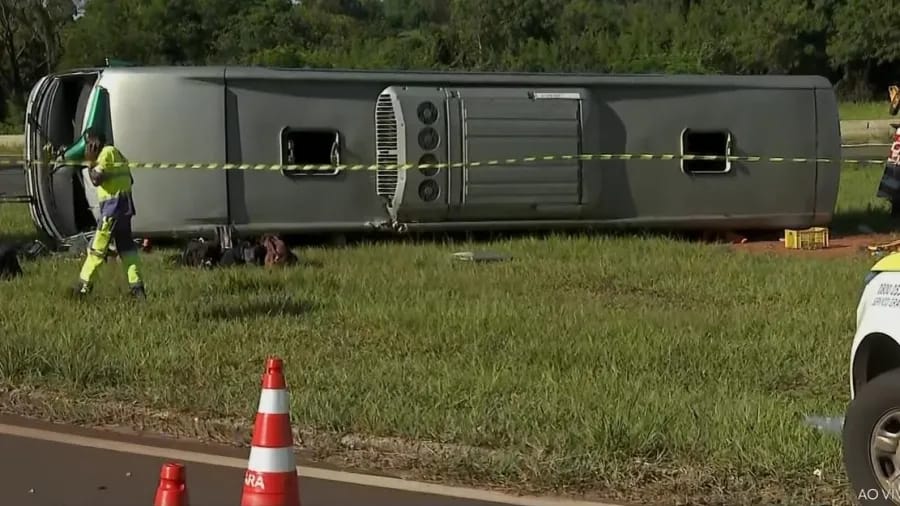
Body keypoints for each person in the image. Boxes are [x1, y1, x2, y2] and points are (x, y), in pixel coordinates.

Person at [71, 127, 146, 298]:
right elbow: (130, 179)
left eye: (88, 144)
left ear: (94, 142)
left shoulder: (106, 153)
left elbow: (96, 179)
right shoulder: (118, 154)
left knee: (97, 248)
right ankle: (137, 288)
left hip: (112, 210)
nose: (87, 148)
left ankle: (83, 287)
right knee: (127, 250)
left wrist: (91, 163)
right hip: (125, 209)